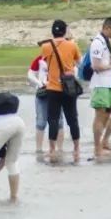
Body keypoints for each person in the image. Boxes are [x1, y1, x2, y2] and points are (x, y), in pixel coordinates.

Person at [40, 20, 82, 162]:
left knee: (53, 119)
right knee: (72, 119)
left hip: (53, 87)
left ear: (52, 31)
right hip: (69, 87)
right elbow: (78, 62)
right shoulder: (72, 45)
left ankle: (52, 149)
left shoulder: (46, 46)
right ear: (65, 31)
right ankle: (76, 149)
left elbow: (46, 62)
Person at [89, 17, 111, 158]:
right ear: (107, 28)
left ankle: (105, 141)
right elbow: (95, 66)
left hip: (109, 83)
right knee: (100, 116)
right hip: (100, 84)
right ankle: (97, 148)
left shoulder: (106, 42)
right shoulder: (97, 43)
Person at [28, 39, 63, 154]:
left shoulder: (59, 57)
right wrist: (39, 83)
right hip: (43, 92)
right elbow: (30, 74)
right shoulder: (39, 59)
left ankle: (59, 149)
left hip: (57, 91)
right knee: (41, 121)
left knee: (59, 121)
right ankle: (38, 149)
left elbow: (70, 70)